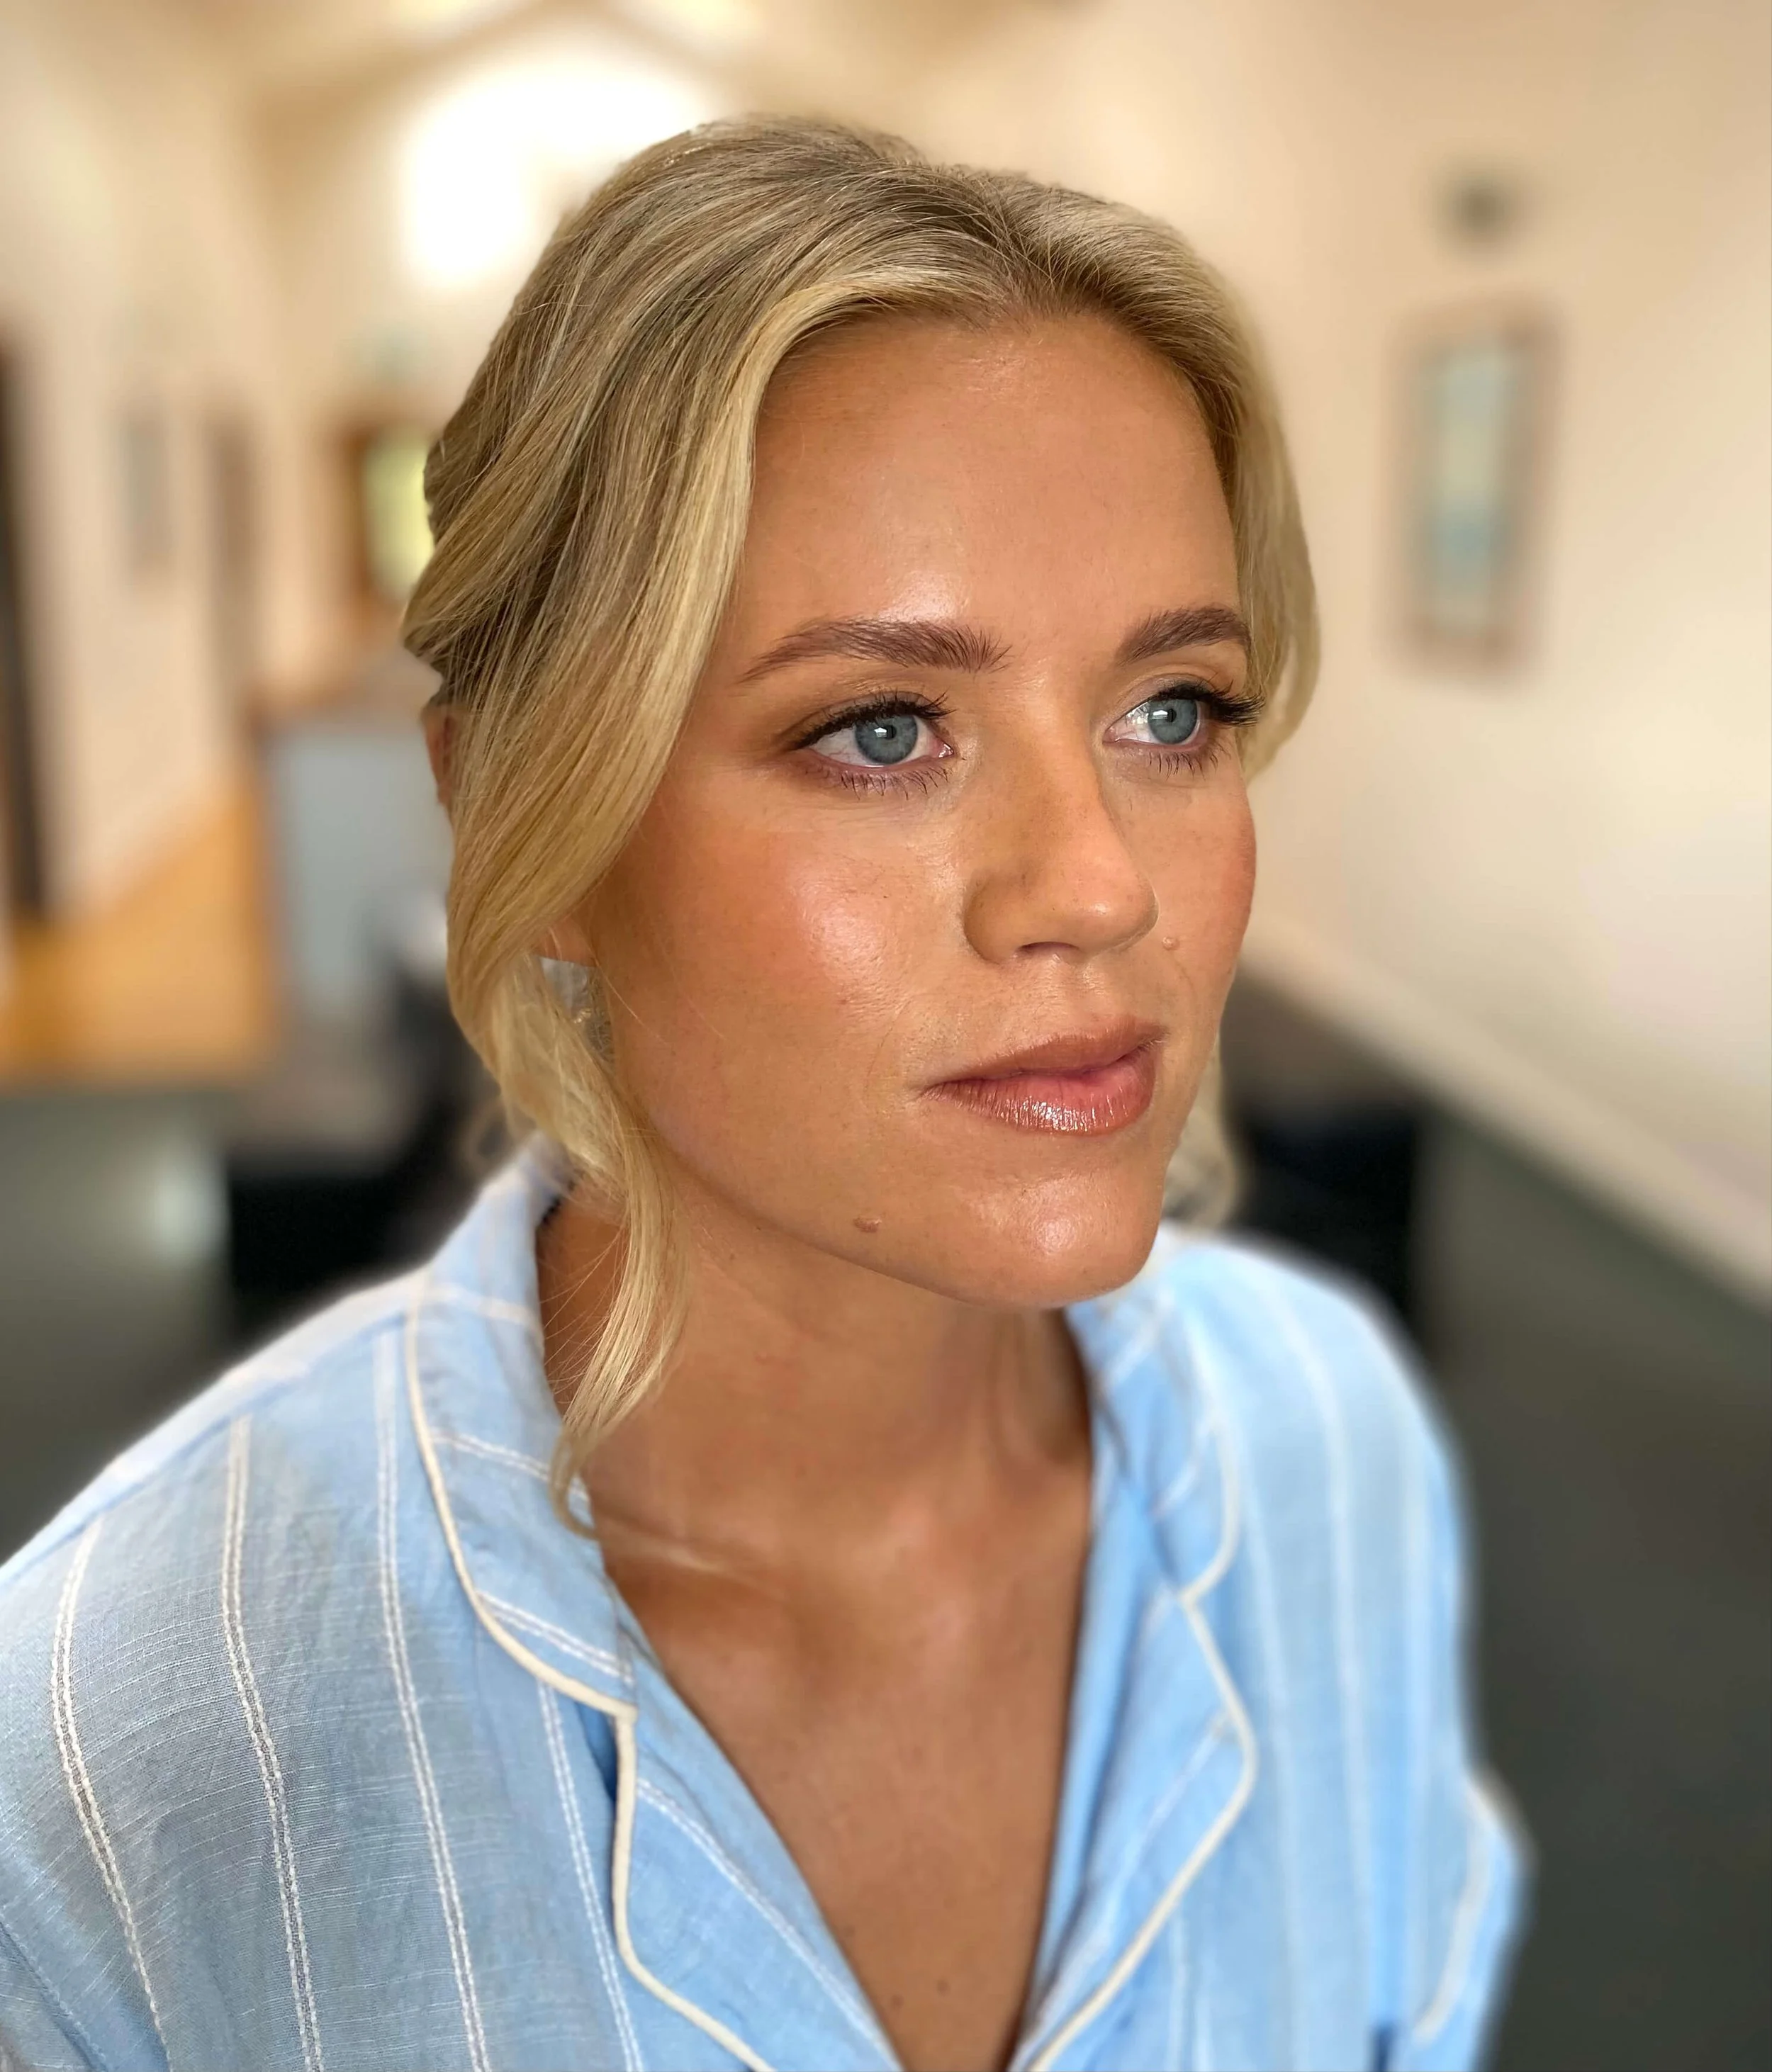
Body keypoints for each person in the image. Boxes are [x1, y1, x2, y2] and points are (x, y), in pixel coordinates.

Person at [0, 119, 1523, 2072]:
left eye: (1173, 712)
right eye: (880, 729)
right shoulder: (111, 1749)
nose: (1099, 885)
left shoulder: (1331, 1441)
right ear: (522, 819)